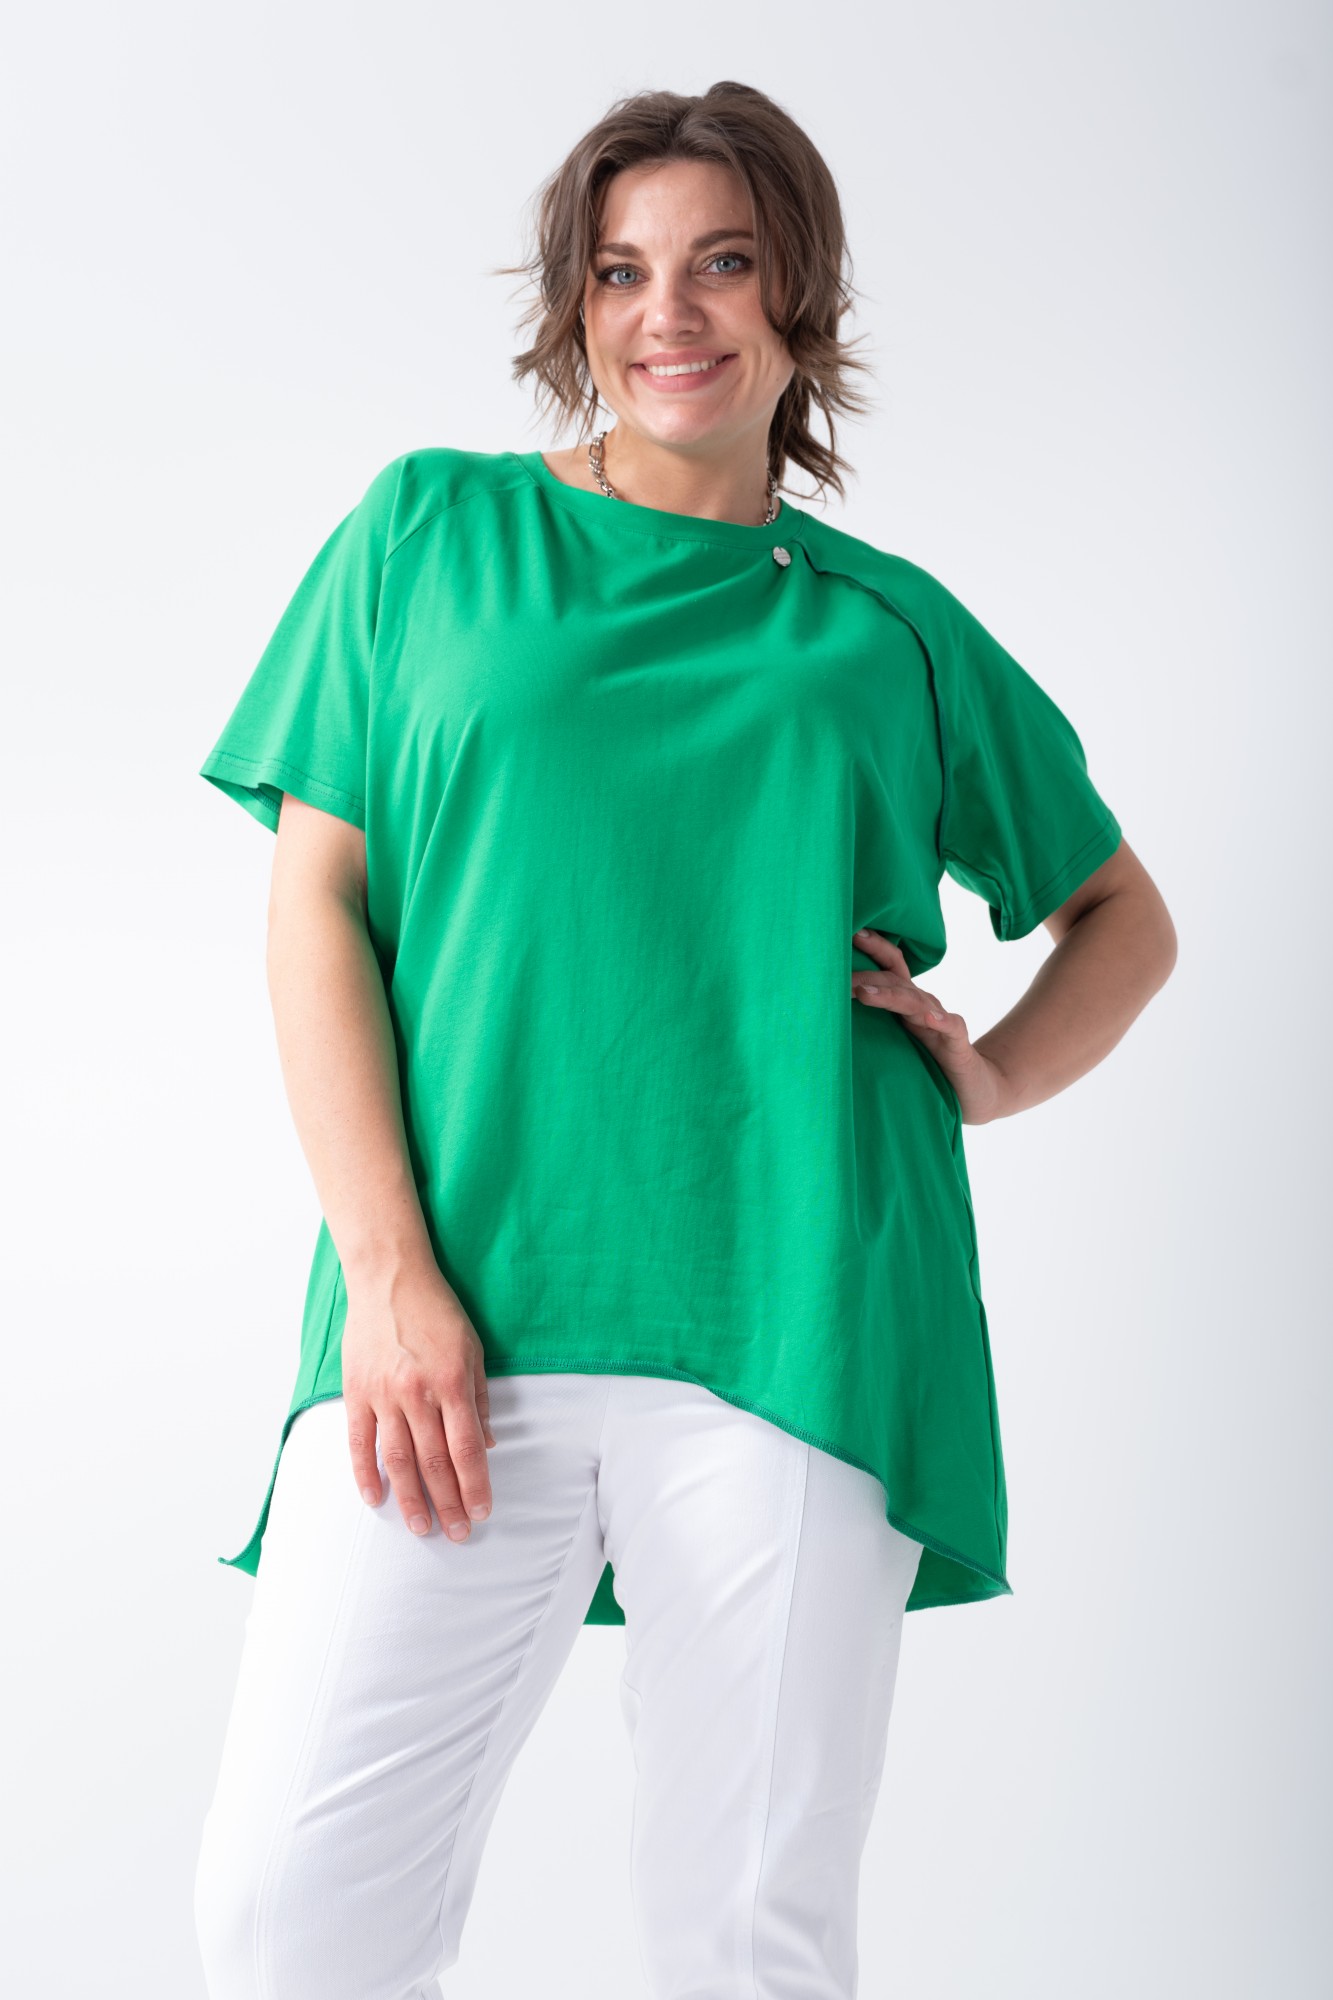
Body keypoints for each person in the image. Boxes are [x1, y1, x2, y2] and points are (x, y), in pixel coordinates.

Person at [191, 78, 1177, 2000]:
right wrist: (388, 1277)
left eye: (722, 264)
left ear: (799, 297)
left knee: (741, 1937)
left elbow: (1119, 917)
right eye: (621, 271)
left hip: (802, 1314)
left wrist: (987, 1072)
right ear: (574, 304)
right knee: (285, 1916)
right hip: (453, 1306)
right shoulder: (429, 534)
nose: (670, 313)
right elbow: (316, 909)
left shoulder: (890, 629)